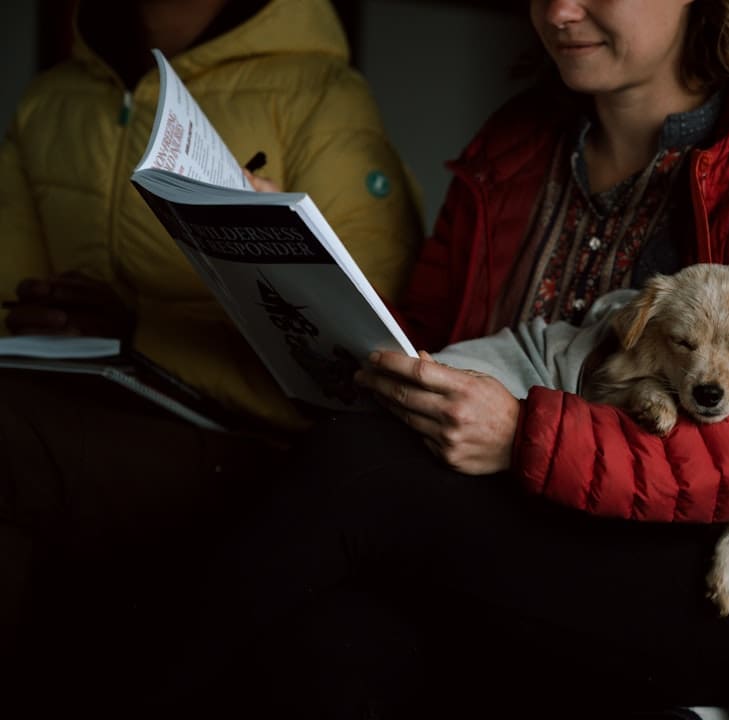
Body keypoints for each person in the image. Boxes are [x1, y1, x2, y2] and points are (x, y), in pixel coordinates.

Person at [160, 1, 729, 718]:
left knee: (359, 470)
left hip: (723, 579)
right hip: (508, 528)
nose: (558, 12)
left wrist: (526, 437)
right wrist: (284, 265)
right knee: (328, 639)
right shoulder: (515, 144)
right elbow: (425, 338)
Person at [0, 0, 423, 712]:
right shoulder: (54, 98)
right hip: (92, 399)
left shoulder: (320, 93)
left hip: (252, 438)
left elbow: (367, 357)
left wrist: (144, 330)